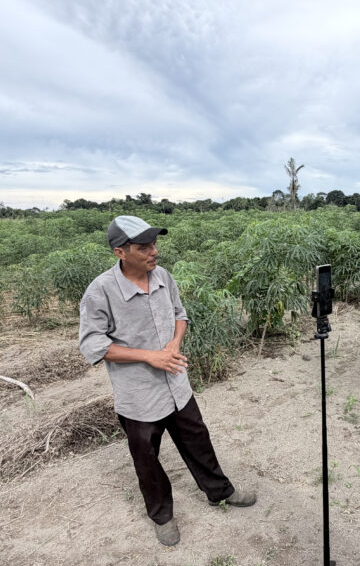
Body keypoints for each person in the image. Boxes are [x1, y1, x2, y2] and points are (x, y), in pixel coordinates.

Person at [78, 215, 256, 547]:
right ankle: (162, 516)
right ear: (120, 252)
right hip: (139, 394)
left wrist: (174, 344)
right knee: (147, 457)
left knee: (197, 439)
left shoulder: (163, 276)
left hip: (176, 384)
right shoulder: (101, 291)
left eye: (155, 243)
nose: (154, 251)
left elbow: (179, 314)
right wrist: (148, 356)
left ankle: (220, 492)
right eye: (143, 247)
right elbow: (93, 345)